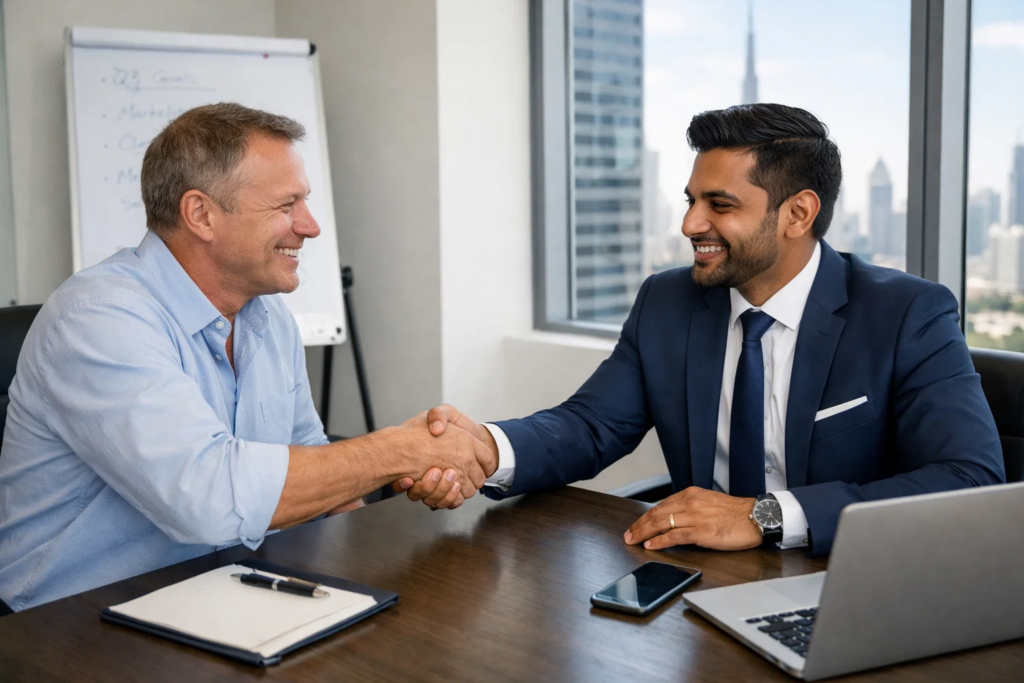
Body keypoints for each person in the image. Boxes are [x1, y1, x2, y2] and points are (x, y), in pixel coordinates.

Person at [404, 103, 1006, 557]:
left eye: (720, 204)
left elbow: (968, 477)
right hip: (703, 584)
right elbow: (590, 425)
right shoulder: (669, 300)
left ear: (798, 213)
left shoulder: (906, 314)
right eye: (692, 199)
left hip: (849, 581)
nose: (691, 222)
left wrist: (765, 516)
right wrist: (487, 447)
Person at [0, 103, 494, 612]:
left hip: (226, 597)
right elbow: (208, 497)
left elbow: (310, 460)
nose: (310, 226)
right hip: (71, 626)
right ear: (201, 214)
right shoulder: (98, 320)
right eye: (286, 205)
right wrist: (401, 451)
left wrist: (413, 475)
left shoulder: (267, 317)